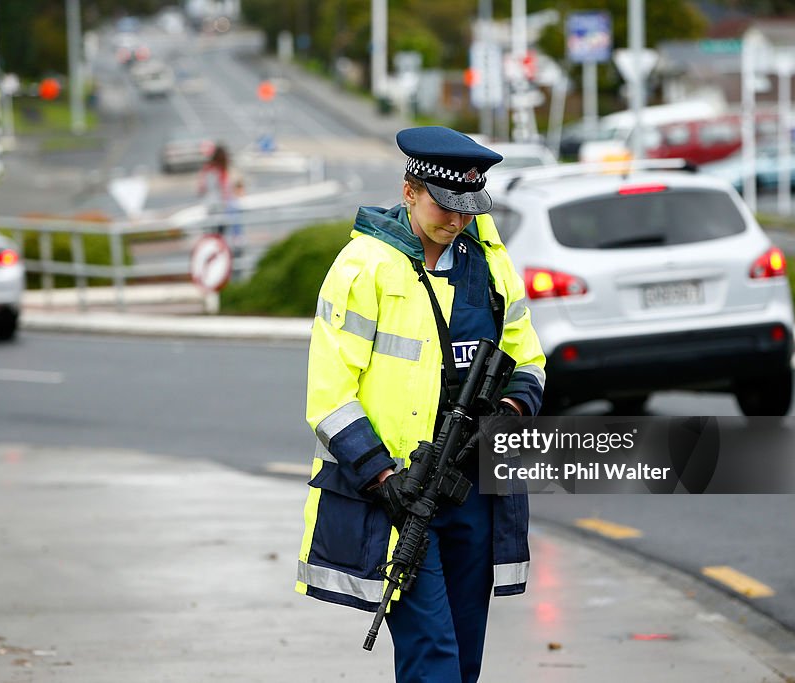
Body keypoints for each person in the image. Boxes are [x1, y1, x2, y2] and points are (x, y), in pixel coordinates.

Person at [295, 126, 546, 682]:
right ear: (410, 190)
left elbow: (527, 360)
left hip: (475, 489)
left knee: (465, 658)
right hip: (401, 494)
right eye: (444, 207)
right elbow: (329, 395)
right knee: (433, 657)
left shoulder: (490, 264)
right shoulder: (364, 267)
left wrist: (511, 411)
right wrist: (383, 478)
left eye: (467, 208)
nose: (456, 222)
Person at [197, 144, 244, 254]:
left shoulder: (207, 170)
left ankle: (214, 252)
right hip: (220, 207)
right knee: (221, 232)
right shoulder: (220, 172)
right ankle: (223, 252)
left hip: (210, 206)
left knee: (213, 232)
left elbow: (201, 189)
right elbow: (225, 191)